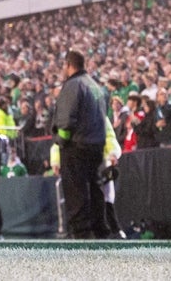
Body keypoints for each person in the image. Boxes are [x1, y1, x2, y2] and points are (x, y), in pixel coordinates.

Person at [52, 49, 109, 239]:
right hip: (96, 146)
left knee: (76, 193)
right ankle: (100, 232)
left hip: (77, 148)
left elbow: (67, 121)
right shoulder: (94, 86)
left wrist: (60, 141)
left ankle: (82, 238)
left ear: (68, 65)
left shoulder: (72, 85)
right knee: (95, 190)